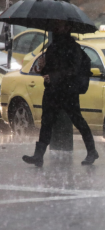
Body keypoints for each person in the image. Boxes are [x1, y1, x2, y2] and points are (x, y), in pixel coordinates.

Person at [22, 21, 98, 167]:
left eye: (60, 25)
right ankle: (38, 155)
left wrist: (54, 76)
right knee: (46, 122)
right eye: (55, 24)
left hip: (68, 91)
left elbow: (73, 70)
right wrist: (42, 68)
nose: (56, 27)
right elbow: (48, 71)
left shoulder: (74, 48)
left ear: (68, 28)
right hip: (52, 91)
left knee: (78, 120)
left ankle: (92, 151)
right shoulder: (52, 47)